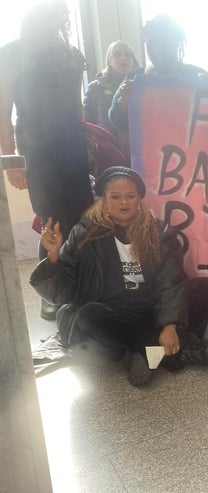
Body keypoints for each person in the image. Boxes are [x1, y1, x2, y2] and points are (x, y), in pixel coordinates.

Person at [29, 166, 208, 386]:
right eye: (115, 197)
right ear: (104, 200)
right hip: (113, 312)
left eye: (130, 196)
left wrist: (169, 325)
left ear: (139, 198)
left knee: (206, 287)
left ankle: (144, 349)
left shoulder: (161, 233)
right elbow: (64, 293)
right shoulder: (84, 234)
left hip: (153, 307)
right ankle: (175, 351)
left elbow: (172, 281)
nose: (123, 203)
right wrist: (53, 258)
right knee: (88, 314)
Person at [0, 1, 94, 321]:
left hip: (72, 147)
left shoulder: (72, 54)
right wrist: (11, 160)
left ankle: (80, 285)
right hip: (37, 152)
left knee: (82, 217)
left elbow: (77, 107)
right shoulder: (12, 53)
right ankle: (50, 291)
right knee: (51, 218)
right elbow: (3, 110)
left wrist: (88, 147)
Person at [108, 14, 208, 157]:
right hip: (150, 162)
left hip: (190, 161)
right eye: (150, 41)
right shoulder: (136, 78)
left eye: (163, 40)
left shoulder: (196, 75)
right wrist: (123, 103)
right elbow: (116, 119)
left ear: (176, 43)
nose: (157, 47)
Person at [83, 40, 139, 137]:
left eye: (127, 55)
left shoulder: (143, 87)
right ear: (109, 60)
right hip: (106, 148)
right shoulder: (95, 88)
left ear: (133, 61)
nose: (123, 58)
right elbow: (88, 124)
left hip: (138, 147)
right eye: (117, 54)